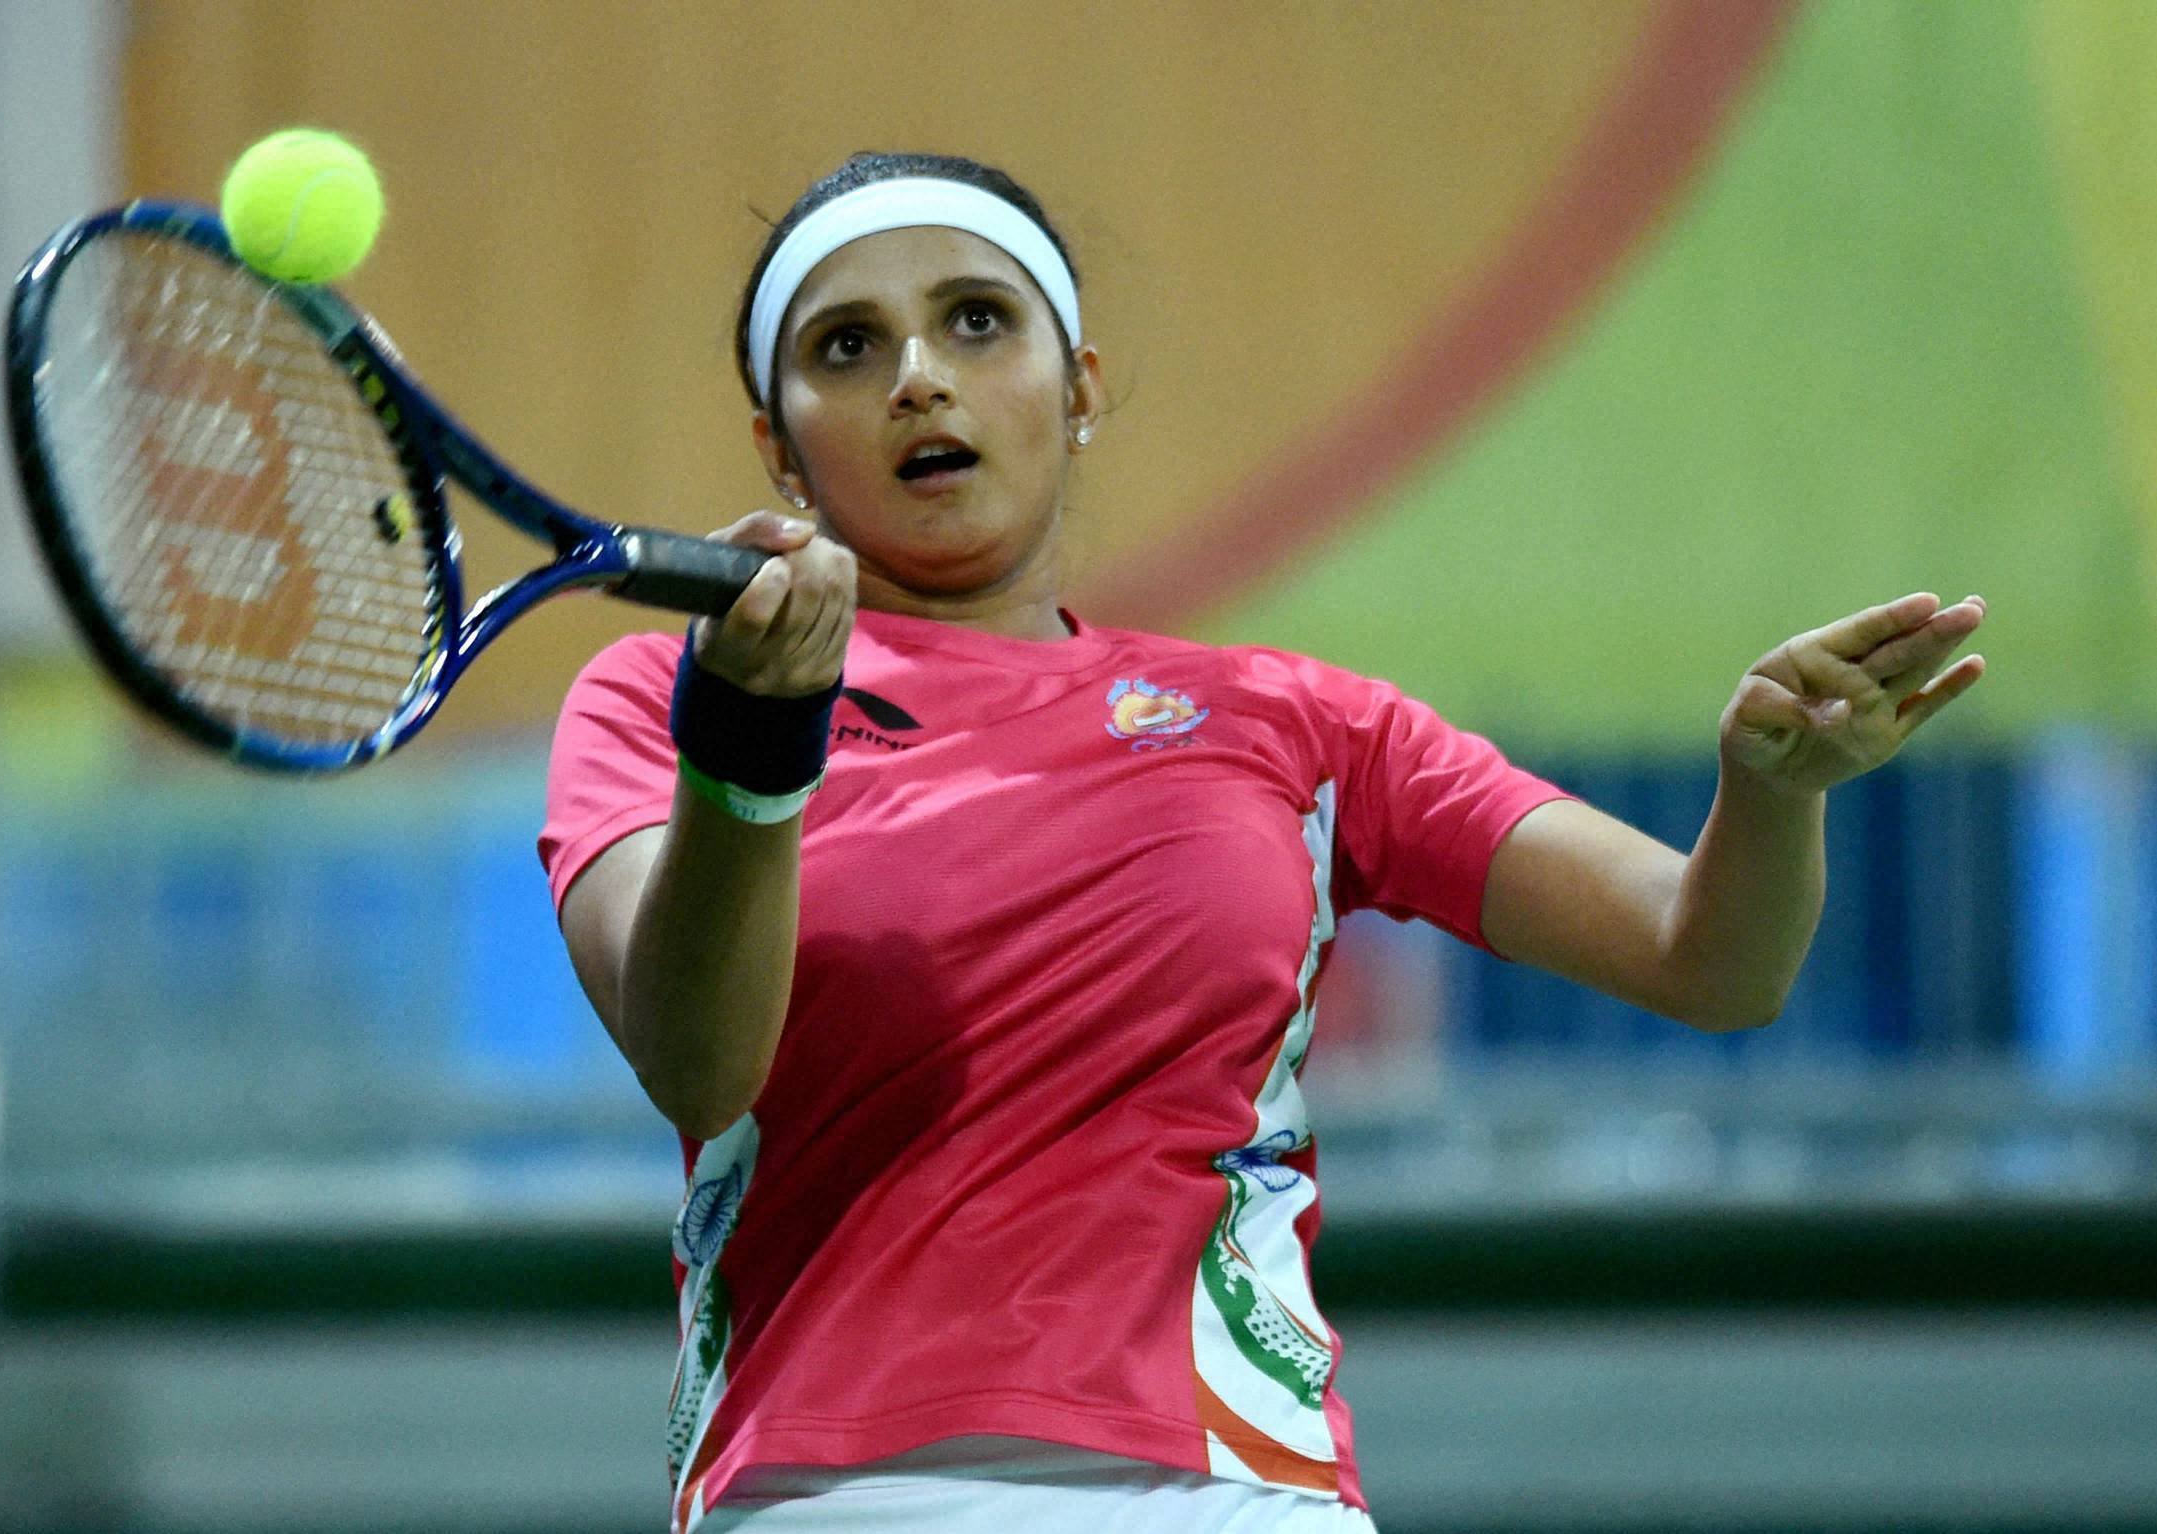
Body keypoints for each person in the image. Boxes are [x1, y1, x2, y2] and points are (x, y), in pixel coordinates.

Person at [536, 151, 1987, 1534]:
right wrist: (749, 744)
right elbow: (696, 1055)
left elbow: (1706, 958)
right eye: (845, 347)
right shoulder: (661, 705)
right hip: (828, 1493)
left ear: (1078, 385)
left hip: (1235, 1487)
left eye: (977, 321)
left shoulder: (1298, 726)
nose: (919, 374)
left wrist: (1772, 789)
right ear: (775, 448)